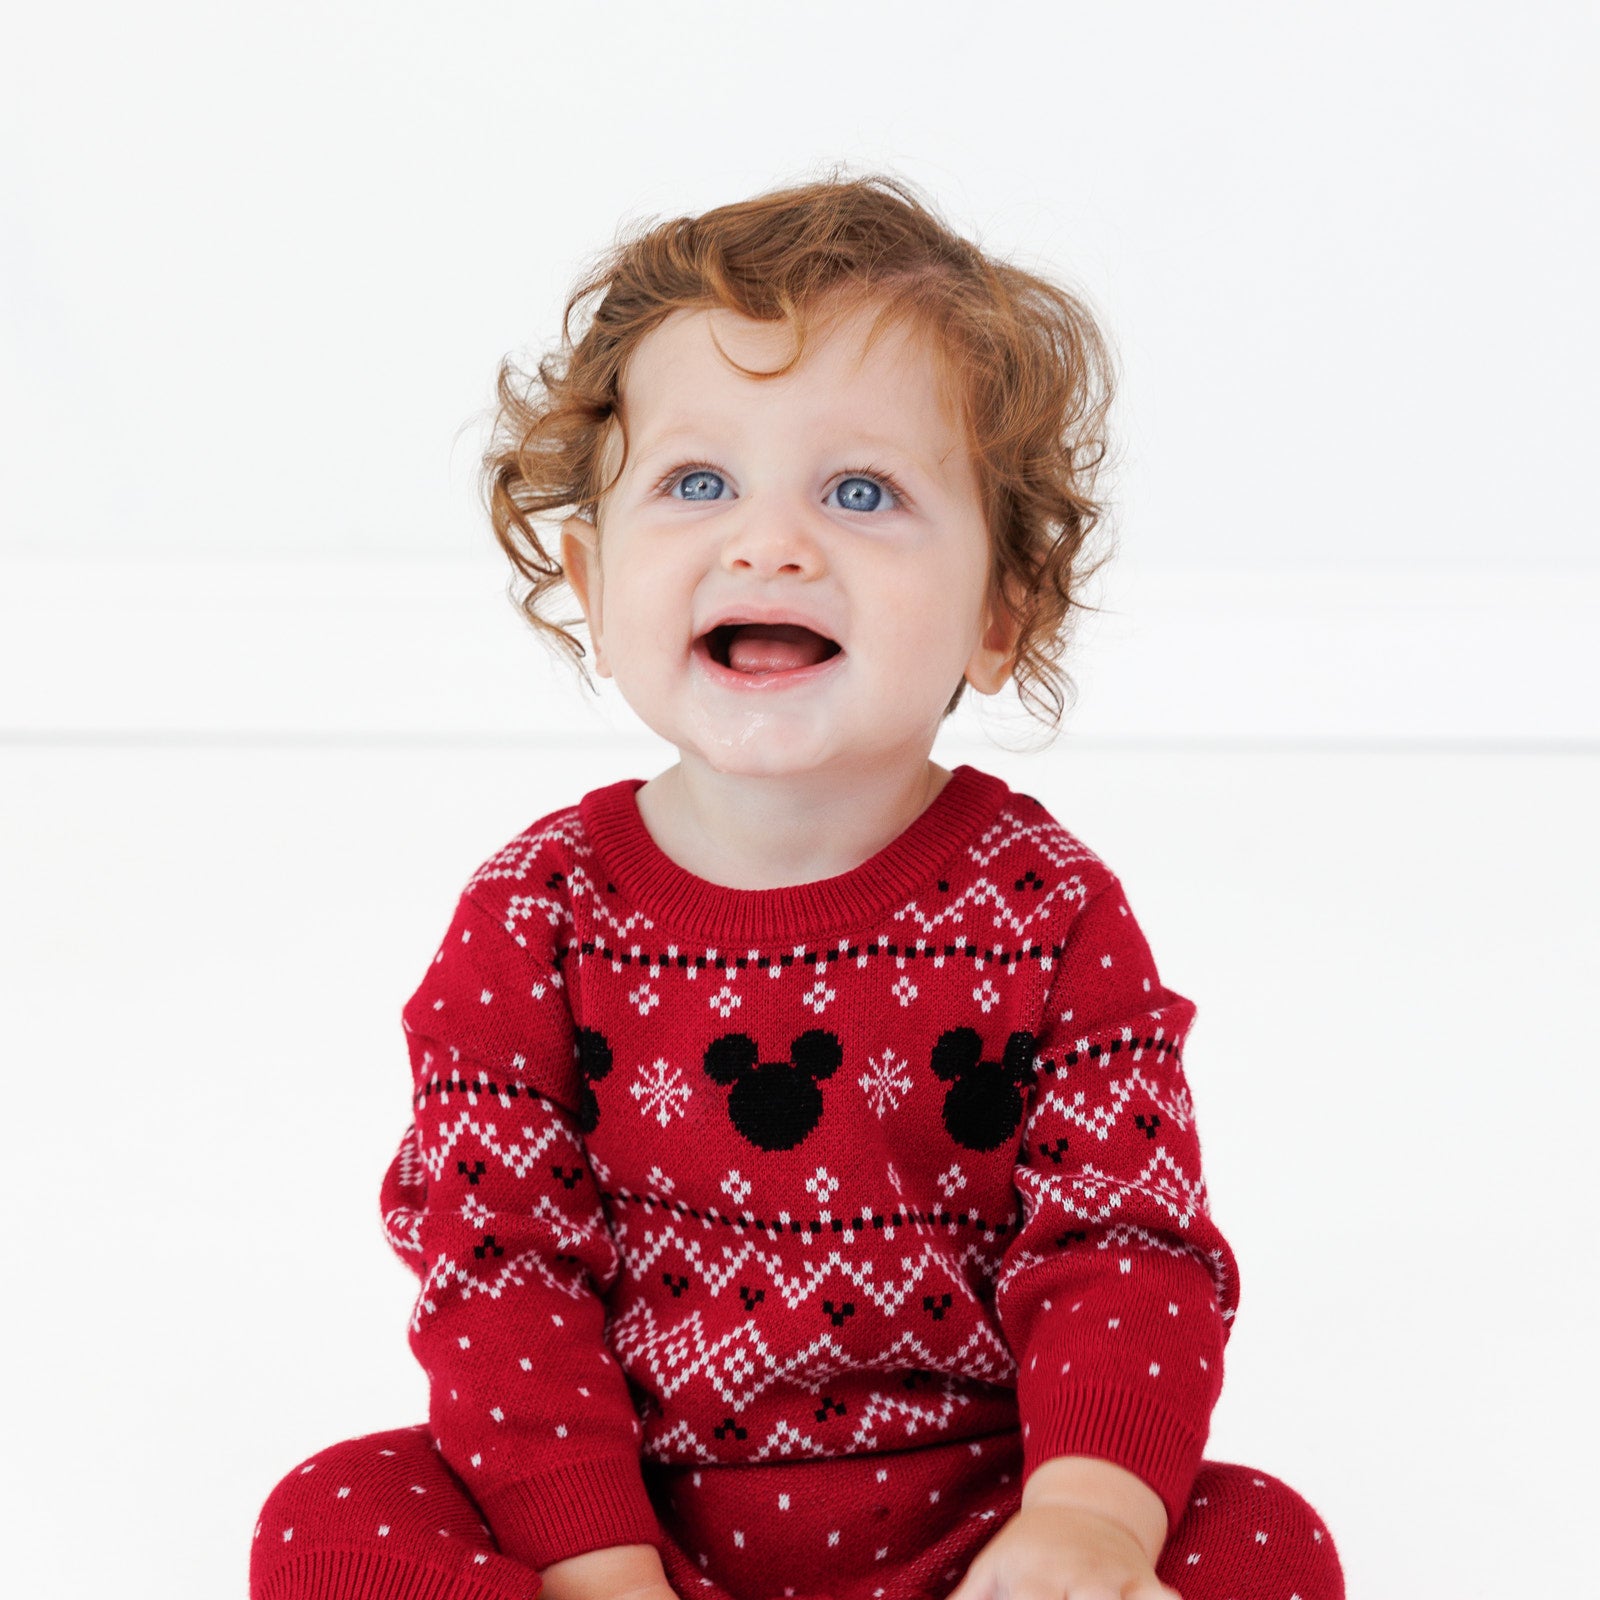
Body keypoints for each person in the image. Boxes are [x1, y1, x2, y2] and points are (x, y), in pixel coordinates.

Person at [251, 172, 1344, 1600]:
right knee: (329, 1518)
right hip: (630, 1536)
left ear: (1001, 607)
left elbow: (1124, 1246)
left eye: (862, 490)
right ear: (590, 576)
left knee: (1263, 1536)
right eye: (697, 483)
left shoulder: (1046, 909)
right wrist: (593, 1564)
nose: (768, 542)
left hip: (976, 1538)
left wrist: (1087, 1523)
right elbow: (500, 1271)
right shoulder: (539, 912)